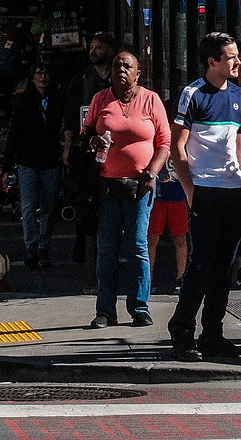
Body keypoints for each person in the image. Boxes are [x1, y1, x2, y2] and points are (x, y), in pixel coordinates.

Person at [166, 33, 241, 362]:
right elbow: (177, 147)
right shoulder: (192, 94)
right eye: (231, 57)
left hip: (234, 193)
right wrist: (191, 192)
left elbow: (240, 144)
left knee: (223, 269)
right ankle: (182, 329)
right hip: (204, 191)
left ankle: (213, 332)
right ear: (212, 61)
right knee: (200, 265)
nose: (238, 62)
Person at [85, 50, 172, 329]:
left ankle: (139, 308)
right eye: (116, 65)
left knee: (137, 247)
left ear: (138, 74)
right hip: (107, 185)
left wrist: (151, 174)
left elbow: (165, 143)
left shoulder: (151, 100)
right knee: (107, 248)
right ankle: (105, 311)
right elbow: (86, 133)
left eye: (127, 66)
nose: (120, 69)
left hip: (141, 186)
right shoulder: (100, 99)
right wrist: (94, 142)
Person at [64, 34, 120, 269]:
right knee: (85, 196)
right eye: (92, 47)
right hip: (87, 148)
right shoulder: (82, 79)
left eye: (100, 47)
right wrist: (69, 148)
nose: (95, 51)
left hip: (114, 148)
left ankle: (107, 252)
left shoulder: (118, 78)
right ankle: (85, 246)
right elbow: (69, 117)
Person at [6, 63, 67, 268]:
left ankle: (44, 248)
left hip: (49, 160)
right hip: (27, 161)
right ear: (32, 78)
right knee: (29, 205)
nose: (42, 77)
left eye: (46, 73)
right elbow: (14, 133)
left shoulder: (58, 101)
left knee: (49, 206)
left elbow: (64, 126)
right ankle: (31, 247)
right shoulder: (23, 101)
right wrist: (6, 166)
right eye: (38, 73)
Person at [149, 162, 188, 292]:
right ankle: (148, 278)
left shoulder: (184, 143)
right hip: (157, 196)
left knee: (180, 237)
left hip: (179, 195)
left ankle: (181, 277)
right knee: (152, 238)